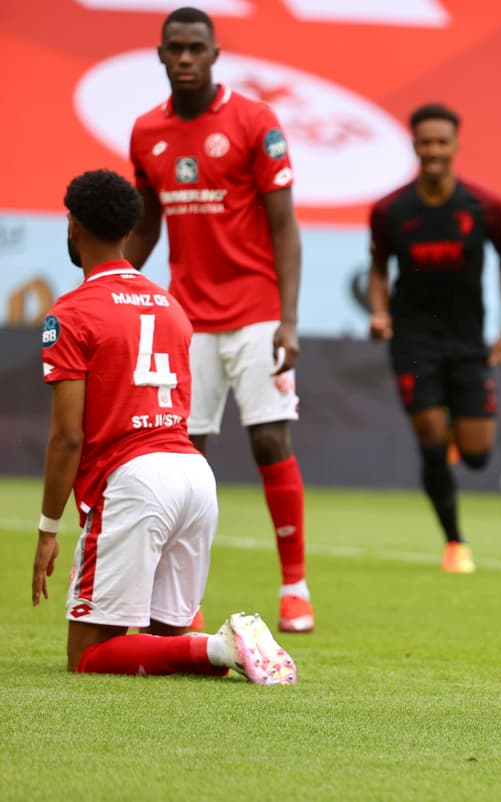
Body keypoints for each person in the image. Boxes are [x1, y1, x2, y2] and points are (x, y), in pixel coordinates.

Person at [33, 168, 295, 685]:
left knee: (87, 656)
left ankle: (221, 644)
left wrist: (47, 530)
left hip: (134, 481)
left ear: (73, 226)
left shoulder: (71, 313)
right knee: (170, 649)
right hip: (193, 475)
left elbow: (68, 437)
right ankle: (219, 650)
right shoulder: (171, 306)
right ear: (130, 231)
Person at [125, 7, 314, 632]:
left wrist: (289, 319)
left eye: (196, 48)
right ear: (161, 54)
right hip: (185, 318)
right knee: (182, 456)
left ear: (214, 54)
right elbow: (146, 225)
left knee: (269, 441)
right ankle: (181, 601)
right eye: (175, 48)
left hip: (257, 312)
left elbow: (284, 226)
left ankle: (295, 588)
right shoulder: (146, 132)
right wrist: (109, 284)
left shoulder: (254, 121)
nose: (185, 58)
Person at [367, 102, 501, 574]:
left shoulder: (485, 206)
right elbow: (378, 269)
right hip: (413, 343)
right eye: (425, 142)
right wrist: (379, 312)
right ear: (414, 145)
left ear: (455, 146)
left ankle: (455, 433)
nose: (433, 150)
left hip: (467, 343)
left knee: (476, 456)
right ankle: (455, 541)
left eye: (441, 142)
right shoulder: (390, 210)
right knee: (431, 439)